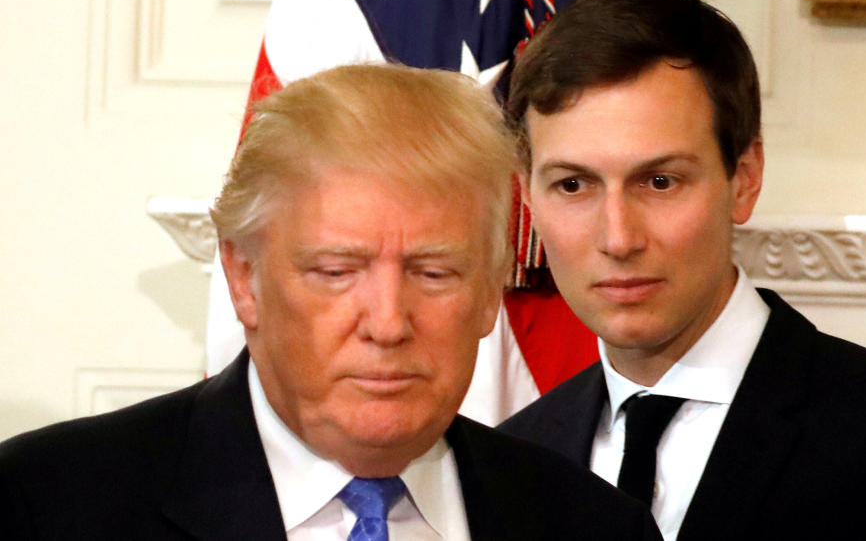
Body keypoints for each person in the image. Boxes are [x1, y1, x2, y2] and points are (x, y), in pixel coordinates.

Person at [0, 64, 662, 540]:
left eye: (435, 273)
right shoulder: (48, 505)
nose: (386, 323)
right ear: (242, 278)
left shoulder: (596, 526)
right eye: (336, 270)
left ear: (492, 290)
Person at [498, 0, 866, 541]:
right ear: (529, 200)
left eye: (660, 181)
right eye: (573, 185)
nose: (617, 238)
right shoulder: (515, 458)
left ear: (744, 179)